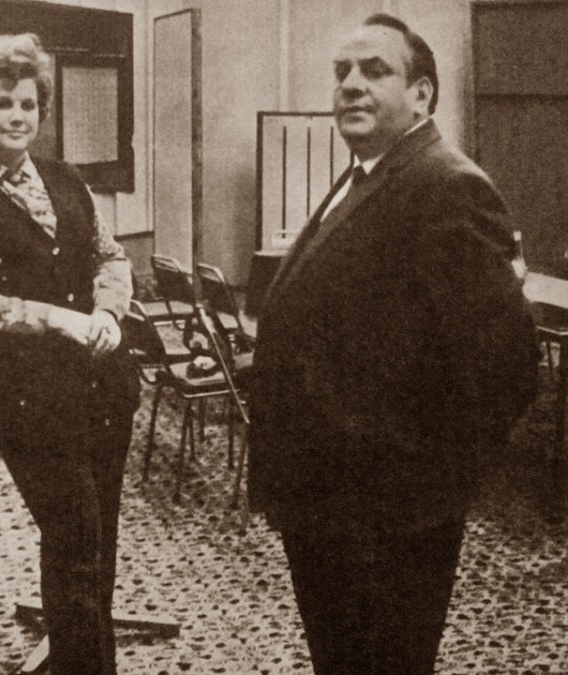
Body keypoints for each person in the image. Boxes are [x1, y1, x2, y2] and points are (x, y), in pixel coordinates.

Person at [247, 14, 539, 675]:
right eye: (341, 72)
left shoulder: (446, 185)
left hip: (387, 520)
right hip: (331, 508)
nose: (350, 85)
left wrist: (424, 489)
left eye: (374, 71)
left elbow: (506, 369)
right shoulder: (372, 172)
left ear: (422, 94)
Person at [0, 33, 140, 675]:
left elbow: (111, 257)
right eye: (2, 103)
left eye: (28, 104)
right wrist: (56, 319)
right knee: (74, 540)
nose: (18, 116)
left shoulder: (66, 179)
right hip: (27, 398)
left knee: (97, 548)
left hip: (105, 389)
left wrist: (108, 312)